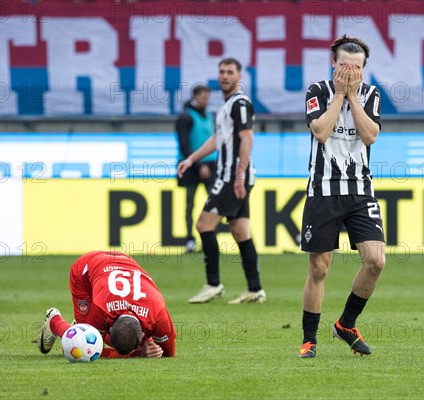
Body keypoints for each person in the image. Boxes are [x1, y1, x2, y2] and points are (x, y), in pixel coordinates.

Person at [298, 35, 385, 358]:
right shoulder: (317, 91)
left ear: (364, 69)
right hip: (322, 190)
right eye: (344, 66)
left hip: (361, 191)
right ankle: (309, 340)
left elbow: (370, 135)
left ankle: (346, 324)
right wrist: (339, 95)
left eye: (357, 67)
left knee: (376, 261)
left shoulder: (372, 95)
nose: (350, 73)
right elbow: (320, 132)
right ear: (332, 64)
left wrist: (354, 98)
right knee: (319, 268)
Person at [178, 58, 265, 305]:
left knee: (204, 224)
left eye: (229, 72)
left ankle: (213, 284)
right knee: (240, 231)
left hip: (232, 176)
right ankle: (255, 288)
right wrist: (192, 158)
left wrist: (239, 174)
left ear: (239, 76)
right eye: (221, 72)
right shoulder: (225, 106)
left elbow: (247, 138)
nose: (224, 76)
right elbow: (217, 139)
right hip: (232, 175)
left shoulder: (240, 103)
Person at [34, 251, 176, 358]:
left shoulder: (157, 312)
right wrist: (138, 354)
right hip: (84, 270)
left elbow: (169, 352)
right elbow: (94, 352)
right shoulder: (102, 308)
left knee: (103, 337)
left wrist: (149, 346)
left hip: (123, 261)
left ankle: (79, 325)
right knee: (83, 344)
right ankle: (54, 321)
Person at [175, 85, 217, 253]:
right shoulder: (186, 118)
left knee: (216, 203)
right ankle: (189, 240)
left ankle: (210, 238)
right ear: (195, 96)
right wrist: (197, 164)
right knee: (190, 204)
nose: (206, 100)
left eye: (207, 96)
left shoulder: (209, 116)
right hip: (191, 166)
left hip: (210, 165)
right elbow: (184, 144)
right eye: (203, 96)